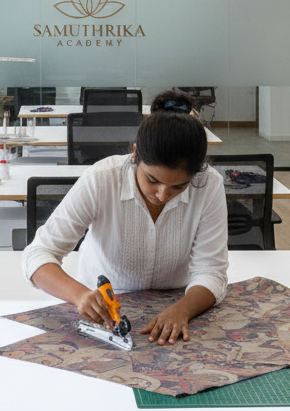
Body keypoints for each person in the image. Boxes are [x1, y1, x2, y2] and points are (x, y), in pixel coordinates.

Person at [22, 89, 227, 346]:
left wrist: (182, 310)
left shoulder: (208, 185)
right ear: (136, 154)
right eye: (152, 180)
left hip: (178, 305)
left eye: (179, 186)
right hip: (102, 312)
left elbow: (211, 272)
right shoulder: (101, 179)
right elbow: (38, 254)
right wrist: (80, 295)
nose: (163, 195)